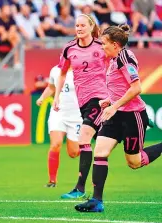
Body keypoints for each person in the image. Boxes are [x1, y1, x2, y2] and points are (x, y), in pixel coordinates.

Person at [75, 24, 162, 212]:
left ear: (115, 44)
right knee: (100, 152)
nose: (101, 47)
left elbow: (136, 88)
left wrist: (114, 105)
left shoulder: (124, 57)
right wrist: (109, 100)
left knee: (134, 162)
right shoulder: (114, 60)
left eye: (104, 44)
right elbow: (121, 87)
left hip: (132, 116)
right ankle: (97, 202)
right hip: (116, 115)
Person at [53, 14, 109, 199]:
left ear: (91, 26)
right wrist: (56, 96)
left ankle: (80, 188)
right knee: (132, 158)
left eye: (82, 25)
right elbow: (61, 74)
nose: (79, 28)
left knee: (83, 138)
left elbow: (114, 66)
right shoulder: (69, 48)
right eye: (76, 25)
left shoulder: (102, 47)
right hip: (82, 101)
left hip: (100, 99)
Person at [36, 66, 82, 187]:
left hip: (76, 115)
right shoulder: (55, 70)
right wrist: (42, 97)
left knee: (73, 153)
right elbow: (51, 87)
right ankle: (52, 180)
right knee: (55, 144)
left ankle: (85, 152)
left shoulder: (82, 70)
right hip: (58, 112)